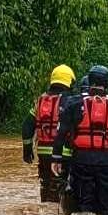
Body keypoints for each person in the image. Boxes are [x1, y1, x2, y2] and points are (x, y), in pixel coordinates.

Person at [52, 64, 108, 215]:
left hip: (81, 161)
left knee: (84, 204)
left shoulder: (74, 104)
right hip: (106, 162)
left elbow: (61, 133)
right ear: (107, 83)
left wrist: (57, 158)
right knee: (107, 205)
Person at [22, 64, 75, 203]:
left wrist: (27, 149)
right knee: (61, 185)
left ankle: (44, 205)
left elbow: (27, 126)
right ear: (69, 81)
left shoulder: (40, 101)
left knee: (45, 183)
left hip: (43, 153)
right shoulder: (70, 101)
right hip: (63, 153)